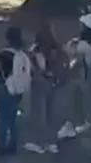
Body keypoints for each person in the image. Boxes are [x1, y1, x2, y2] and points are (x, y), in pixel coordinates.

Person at [61, 13, 91, 138]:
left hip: (82, 77)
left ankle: (75, 124)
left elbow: (69, 55)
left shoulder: (81, 45)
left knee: (75, 101)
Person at [0, 26, 30, 157]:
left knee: (2, 120)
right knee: (12, 119)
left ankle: (1, 146)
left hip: (4, 89)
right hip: (17, 90)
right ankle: (13, 144)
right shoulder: (23, 56)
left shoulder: (4, 54)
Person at [24, 24, 66, 154]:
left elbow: (35, 69)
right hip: (54, 84)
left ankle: (38, 143)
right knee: (51, 114)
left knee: (39, 114)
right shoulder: (58, 49)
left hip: (40, 85)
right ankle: (51, 143)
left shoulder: (36, 51)